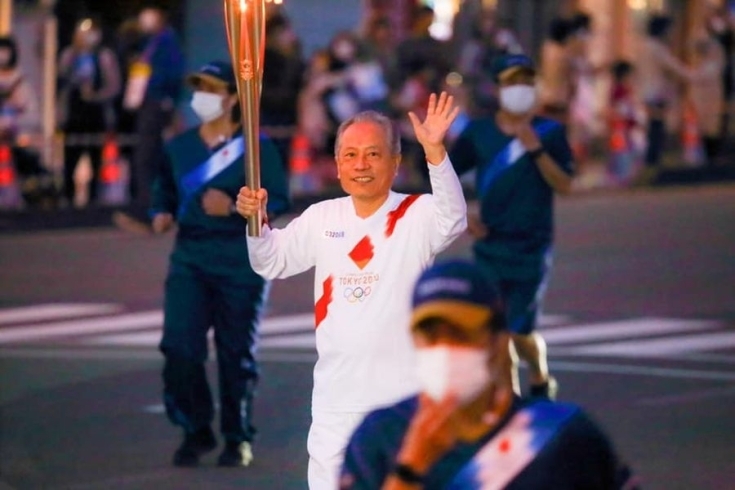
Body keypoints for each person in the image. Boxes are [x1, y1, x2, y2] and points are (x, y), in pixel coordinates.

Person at [235, 91, 467, 489]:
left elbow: (454, 218)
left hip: (403, 400)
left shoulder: (415, 214)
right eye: (350, 155)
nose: (361, 164)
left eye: (374, 154)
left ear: (395, 164)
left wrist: (434, 152)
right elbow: (271, 260)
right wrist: (257, 224)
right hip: (336, 400)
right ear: (338, 165)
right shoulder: (322, 218)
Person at [339, 259, 640, 490]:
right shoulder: (379, 438)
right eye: (430, 336)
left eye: (461, 334)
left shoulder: (564, 436)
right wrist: (410, 469)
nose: (445, 350)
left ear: (499, 340)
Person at [151, 60, 290, 468]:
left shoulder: (258, 147)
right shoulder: (180, 147)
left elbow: (279, 199)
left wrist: (234, 207)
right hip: (190, 257)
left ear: (232, 98)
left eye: (213, 90)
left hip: (240, 258)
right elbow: (163, 190)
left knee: (235, 353)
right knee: (180, 348)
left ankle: (237, 435)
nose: (203, 98)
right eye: (199, 89)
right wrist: (160, 212)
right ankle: (195, 427)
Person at [449, 54, 574, 400]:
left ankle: (538, 373)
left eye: (526, 82)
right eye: (511, 82)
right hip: (491, 245)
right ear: (498, 87)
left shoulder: (550, 132)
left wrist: (536, 150)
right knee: (497, 329)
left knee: (520, 330)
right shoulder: (480, 133)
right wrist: (462, 215)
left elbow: (564, 184)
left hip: (532, 246)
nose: (519, 89)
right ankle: (511, 400)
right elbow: (443, 174)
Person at [116, 6, 185, 226]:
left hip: (156, 105)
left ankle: (148, 210)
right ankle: (152, 207)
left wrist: (167, 101)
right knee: (149, 158)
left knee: (147, 158)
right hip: (148, 104)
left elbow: (172, 74)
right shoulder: (150, 42)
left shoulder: (166, 42)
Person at [57, 17, 122, 207]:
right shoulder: (69, 54)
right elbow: (61, 80)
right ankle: (67, 198)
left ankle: (93, 200)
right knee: (70, 158)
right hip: (73, 115)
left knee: (95, 157)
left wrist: (96, 95)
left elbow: (114, 85)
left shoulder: (104, 55)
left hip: (96, 115)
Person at [637, 15, 693, 179]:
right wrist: (699, 76)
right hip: (656, 94)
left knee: (654, 128)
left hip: (648, 93)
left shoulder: (644, 46)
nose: (672, 33)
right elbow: (675, 68)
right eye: (670, 30)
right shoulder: (657, 48)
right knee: (657, 129)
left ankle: (650, 165)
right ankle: (653, 166)